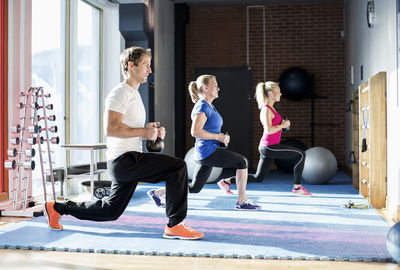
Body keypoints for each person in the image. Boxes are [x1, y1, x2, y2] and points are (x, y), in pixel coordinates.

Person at [43, 46, 204, 240]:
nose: (150, 70)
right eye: (146, 65)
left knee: (110, 211)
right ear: (131, 65)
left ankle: (56, 208)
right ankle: (175, 224)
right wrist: (143, 132)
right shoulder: (120, 93)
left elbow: (128, 129)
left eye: (149, 65)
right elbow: (111, 129)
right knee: (177, 167)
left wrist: (150, 132)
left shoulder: (134, 94)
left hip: (126, 161)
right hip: (124, 160)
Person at [147, 75, 261, 210]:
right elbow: (195, 131)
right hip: (208, 152)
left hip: (207, 152)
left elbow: (206, 130)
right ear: (205, 88)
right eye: (215, 85)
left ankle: (157, 193)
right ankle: (241, 201)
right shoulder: (202, 106)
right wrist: (218, 137)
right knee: (242, 162)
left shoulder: (210, 106)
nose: (218, 88)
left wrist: (221, 138)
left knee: (195, 188)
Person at [250, 81, 312, 196]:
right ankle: (297, 188)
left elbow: (275, 127)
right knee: (301, 154)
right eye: (278, 91)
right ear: (271, 93)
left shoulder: (271, 109)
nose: (281, 94)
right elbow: (269, 130)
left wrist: (283, 125)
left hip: (268, 146)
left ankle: (226, 181)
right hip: (269, 146)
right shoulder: (266, 109)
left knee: (258, 178)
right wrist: (283, 125)